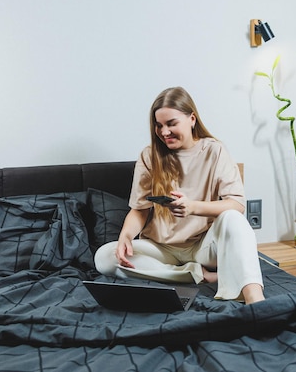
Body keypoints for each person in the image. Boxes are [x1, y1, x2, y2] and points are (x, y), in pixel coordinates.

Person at [94, 86, 265, 304]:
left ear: (192, 119)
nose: (164, 132)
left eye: (171, 123)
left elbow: (237, 204)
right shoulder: (149, 156)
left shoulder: (214, 151)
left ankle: (255, 298)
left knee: (234, 218)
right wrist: (125, 237)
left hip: (203, 247)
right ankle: (199, 275)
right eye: (159, 126)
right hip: (160, 248)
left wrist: (193, 207)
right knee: (104, 258)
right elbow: (139, 210)